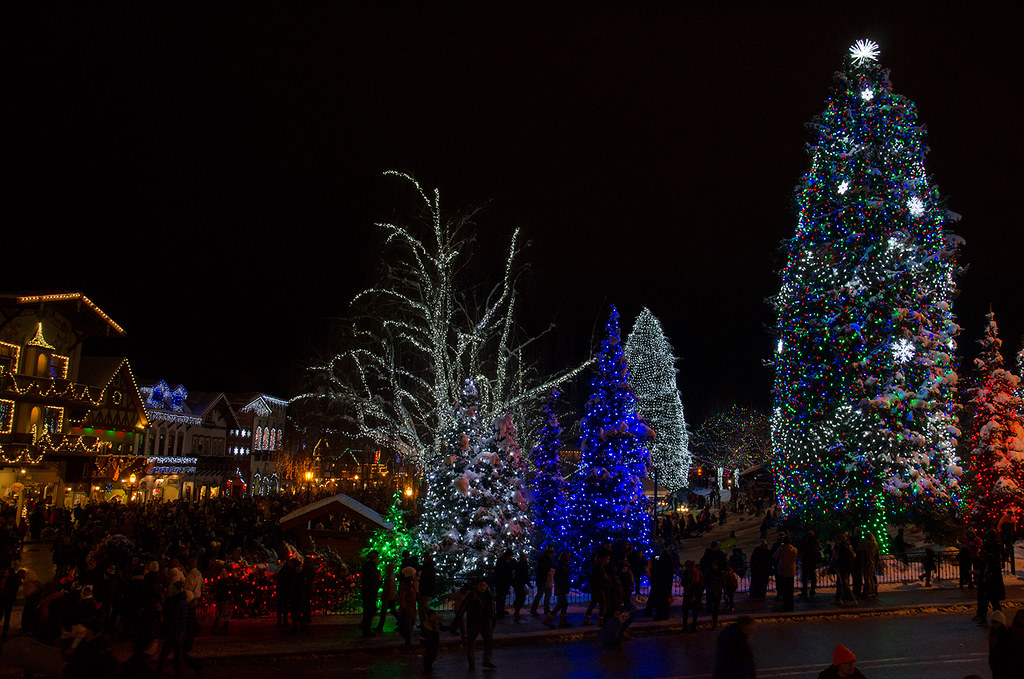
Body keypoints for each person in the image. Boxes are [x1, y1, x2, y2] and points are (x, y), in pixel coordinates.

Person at [459, 578, 496, 670]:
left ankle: (485, 660)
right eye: (481, 585)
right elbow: (462, 608)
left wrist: (493, 620)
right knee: (471, 642)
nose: (483, 588)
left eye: (484, 585)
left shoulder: (488, 596)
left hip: (484, 622)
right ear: (477, 586)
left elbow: (492, 610)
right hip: (474, 622)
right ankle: (472, 662)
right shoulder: (472, 596)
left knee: (488, 641)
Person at [987, 610, 1015, 679]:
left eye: (996, 622)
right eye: (992, 622)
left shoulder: (1005, 636)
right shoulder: (993, 635)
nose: (993, 625)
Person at [774, 535, 798, 612]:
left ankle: (785, 604)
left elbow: (775, 556)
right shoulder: (794, 549)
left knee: (784, 588)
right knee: (790, 589)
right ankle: (790, 603)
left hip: (783, 570)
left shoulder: (781, 549)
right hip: (791, 571)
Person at [360, 550, 381, 637]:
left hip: (368, 593)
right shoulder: (371, 568)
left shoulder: (369, 567)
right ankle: (366, 629)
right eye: (377, 558)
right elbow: (372, 582)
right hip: (370, 593)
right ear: (374, 559)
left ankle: (365, 627)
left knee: (369, 611)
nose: (378, 560)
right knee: (370, 611)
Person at [549, 551, 572, 628]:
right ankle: (550, 619)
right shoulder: (560, 567)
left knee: (563, 604)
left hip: (562, 588)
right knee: (561, 604)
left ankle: (561, 620)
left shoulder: (564, 566)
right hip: (561, 588)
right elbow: (560, 578)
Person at [530, 546, 554, 617]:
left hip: (546, 579)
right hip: (543, 580)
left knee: (546, 595)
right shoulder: (544, 560)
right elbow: (542, 569)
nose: (551, 554)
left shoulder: (547, 559)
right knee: (541, 594)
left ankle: (545, 609)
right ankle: (535, 609)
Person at [397, 565, 418, 647]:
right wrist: (403, 607)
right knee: (407, 624)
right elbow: (402, 597)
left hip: (410, 607)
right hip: (407, 608)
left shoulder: (410, 584)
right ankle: (407, 641)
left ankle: (408, 640)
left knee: (409, 623)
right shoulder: (405, 585)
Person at [680, 560, 703, 633]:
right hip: (694, 594)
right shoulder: (697, 572)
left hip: (691, 593)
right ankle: (693, 627)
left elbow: (684, 582)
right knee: (693, 611)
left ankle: (686, 627)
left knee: (687, 611)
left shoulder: (691, 573)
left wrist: (688, 587)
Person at [376, 562, 398, 632]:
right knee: (392, 611)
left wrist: (387, 597)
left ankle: (380, 626)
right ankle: (401, 623)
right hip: (390, 597)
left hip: (388, 597)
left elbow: (390, 588)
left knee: (384, 612)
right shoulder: (391, 577)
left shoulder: (390, 577)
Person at [799, 530, 821, 600]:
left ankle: (805, 592)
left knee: (805, 578)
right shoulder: (815, 543)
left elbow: (801, 549)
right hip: (812, 562)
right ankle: (811, 592)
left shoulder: (806, 542)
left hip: (806, 562)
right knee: (812, 578)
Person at [857, 532, 879, 599]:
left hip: (866, 563)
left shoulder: (866, 544)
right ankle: (873, 591)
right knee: (871, 578)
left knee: (867, 579)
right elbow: (877, 555)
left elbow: (858, 549)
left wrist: (861, 542)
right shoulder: (875, 544)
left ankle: (867, 592)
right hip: (872, 563)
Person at [421, 608, 441, 676]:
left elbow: (442, 627)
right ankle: (427, 667)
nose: (434, 617)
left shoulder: (435, 624)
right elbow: (423, 636)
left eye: (434, 615)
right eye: (432, 616)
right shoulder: (426, 625)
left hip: (434, 643)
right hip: (429, 643)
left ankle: (428, 667)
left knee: (433, 655)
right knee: (430, 655)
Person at [511, 552, 531, 621]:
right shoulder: (524, 565)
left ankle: (516, 612)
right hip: (520, 583)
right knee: (521, 598)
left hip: (517, 583)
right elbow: (525, 576)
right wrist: (529, 584)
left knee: (519, 598)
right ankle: (517, 612)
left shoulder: (519, 564)